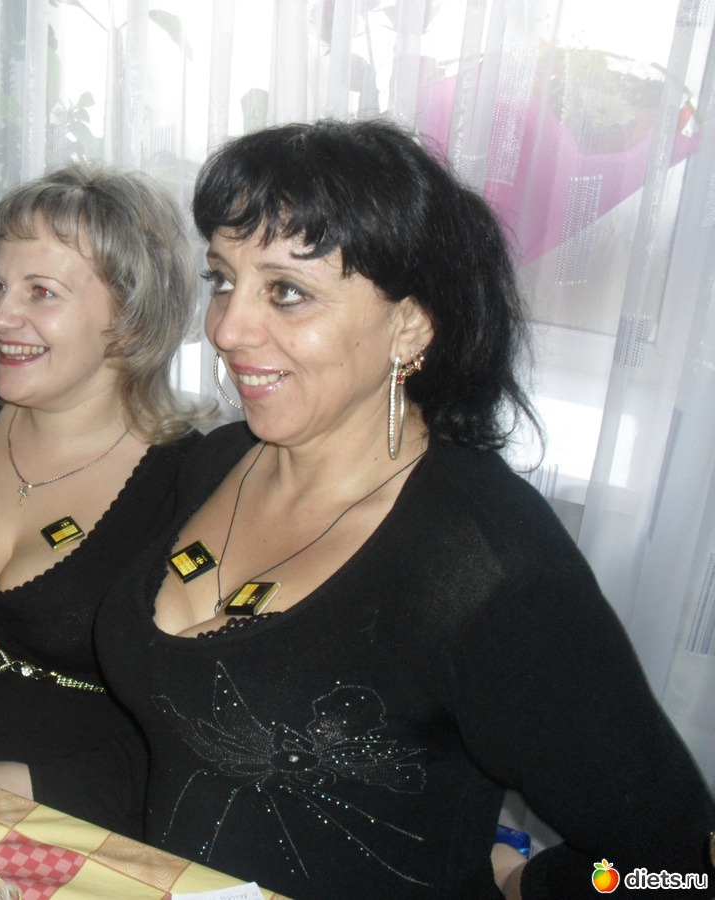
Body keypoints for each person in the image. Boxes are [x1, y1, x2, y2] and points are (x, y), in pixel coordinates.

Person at [93, 120, 715, 898]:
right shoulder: (219, 462)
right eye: (222, 279)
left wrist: (529, 884)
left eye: (286, 291)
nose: (226, 327)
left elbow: (680, 864)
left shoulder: (483, 562)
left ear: (410, 325)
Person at [0, 164, 204, 835]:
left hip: (65, 821)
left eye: (40, 292)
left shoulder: (192, 486)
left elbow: (201, 733)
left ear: (131, 320)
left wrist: (29, 786)